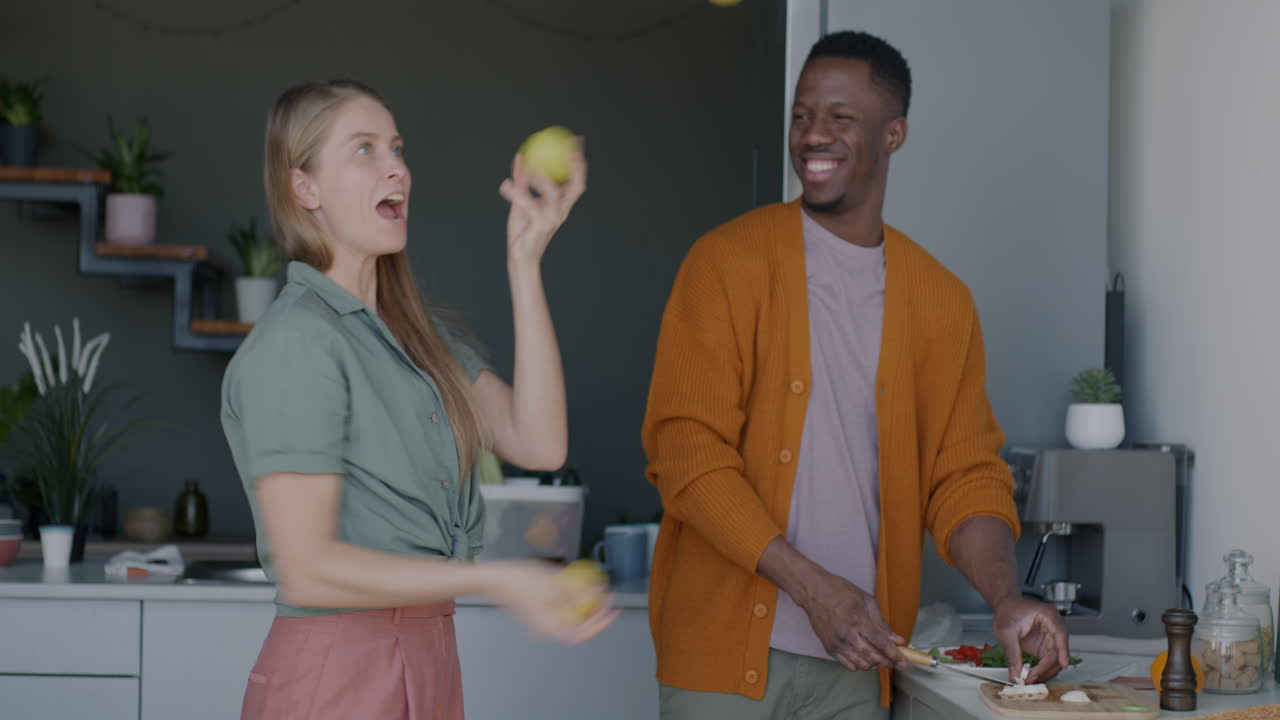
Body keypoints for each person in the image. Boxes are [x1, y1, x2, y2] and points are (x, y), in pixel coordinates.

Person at [642, 30, 1070, 719]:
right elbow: (686, 454)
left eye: (841, 118)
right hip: (722, 660)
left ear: (893, 133)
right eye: (802, 115)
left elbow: (964, 477)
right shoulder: (725, 263)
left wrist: (1005, 597)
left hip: (859, 665)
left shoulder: (941, 300)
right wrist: (814, 590)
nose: (815, 135)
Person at [220, 79, 615, 720]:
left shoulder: (418, 338)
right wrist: (498, 576)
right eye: (365, 149)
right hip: (336, 674)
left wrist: (525, 262)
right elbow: (308, 568)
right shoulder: (298, 342)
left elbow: (539, 442)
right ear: (306, 188)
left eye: (397, 148)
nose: (397, 166)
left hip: (426, 658)